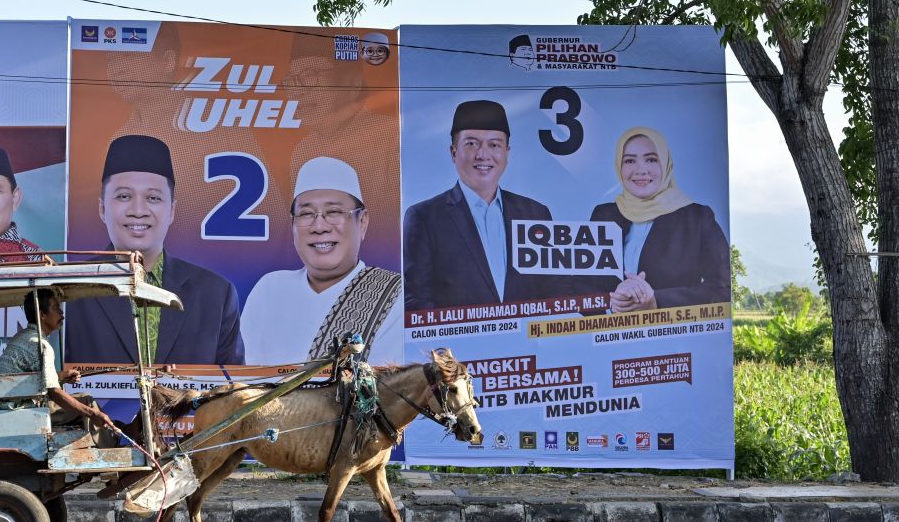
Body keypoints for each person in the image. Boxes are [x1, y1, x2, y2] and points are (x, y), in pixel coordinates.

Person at [64, 134, 244, 365]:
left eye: (153, 198)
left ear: (171, 211)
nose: (138, 210)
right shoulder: (69, 290)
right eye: (124, 196)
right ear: (102, 208)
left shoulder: (215, 295)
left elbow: (233, 390)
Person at [403, 100, 562, 311]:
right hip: (457, 343)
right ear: (453, 152)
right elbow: (416, 301)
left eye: (494, 144)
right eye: (471, 143)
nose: (483, 154)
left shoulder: (535, 214)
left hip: (526, 342)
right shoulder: (424, 217)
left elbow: (552, 290)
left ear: (507, 152)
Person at [240, 157, 402, 365]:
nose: (319, 226)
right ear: (292, 224)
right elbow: (242, 382)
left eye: (333, 212)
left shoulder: (395, 296)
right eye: (306, 214)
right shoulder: (269, 289)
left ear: (362, 222)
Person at [587, 126, 731, 311]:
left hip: (671, 336)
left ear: (665, 163)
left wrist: (656, 301)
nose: (641, 170)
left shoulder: (697, 219)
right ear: (619, 166)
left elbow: (722, 288)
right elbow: (582, 283)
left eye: (651, 159)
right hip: (609, 337)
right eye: (630, 160)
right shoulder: (603, 216)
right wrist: (611, 303)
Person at [0, 289, 116, 432]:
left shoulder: (23, 336)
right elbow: (54, 393)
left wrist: (61, 376)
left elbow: (32, 379)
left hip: (7, 407)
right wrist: (92, 413)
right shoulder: (40, 345)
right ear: (42, 315)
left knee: (85, 400)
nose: (61, 313)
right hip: (20, 412)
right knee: (87, 403)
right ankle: (114, 439)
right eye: (56, 308)